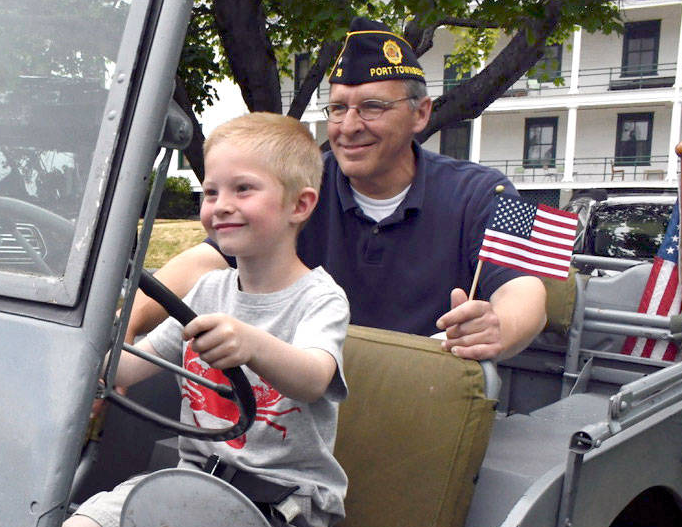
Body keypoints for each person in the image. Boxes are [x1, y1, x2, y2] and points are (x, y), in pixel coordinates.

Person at [58, 113, 350, 527]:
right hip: (193, 483)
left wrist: (253, 345)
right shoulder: (209, 289)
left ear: (300, 205)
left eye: (243, 189)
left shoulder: (319, 299)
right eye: (211, 192)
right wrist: (93, 352)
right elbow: (135, 364)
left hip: (273, 505)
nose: (221, 207)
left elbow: (314, 378)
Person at [130, 18, 547, 362]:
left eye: (372, 107)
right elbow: (208, 260)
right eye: (338, 108)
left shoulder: (489, 191)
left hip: (423, 401)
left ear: (421, 113)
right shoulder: (302, 183)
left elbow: (528, 290)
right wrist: (123, 324)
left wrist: (498, 327)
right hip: (295, 387)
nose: (348, 127)